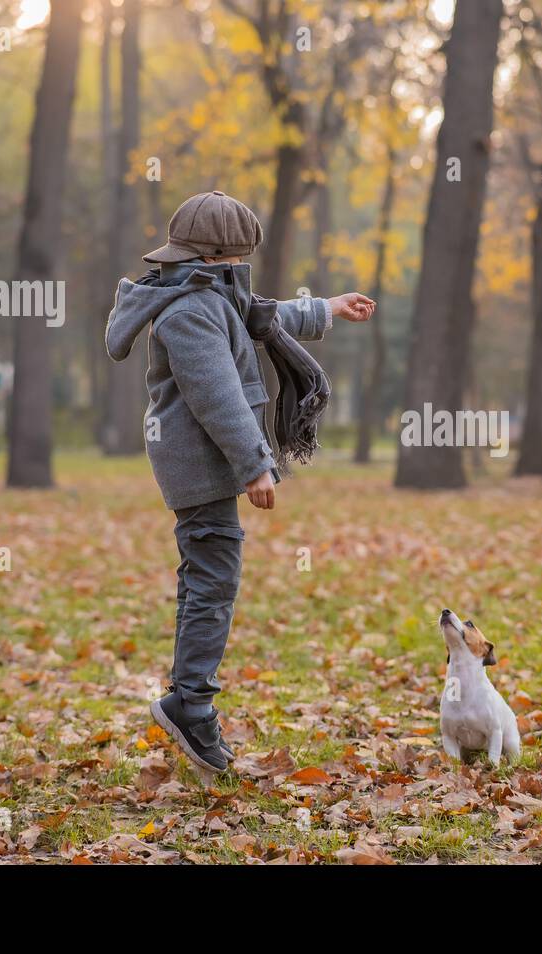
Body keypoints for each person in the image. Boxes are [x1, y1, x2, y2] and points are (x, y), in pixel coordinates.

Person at [106, 190, 373, 772]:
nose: (243, 273)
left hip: (201, 462)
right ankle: (191, 705)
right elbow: (217, 393)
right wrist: (255, 463)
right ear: (219, 257)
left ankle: (189, 696)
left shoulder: (203, 292)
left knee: (205, 575)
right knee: (213, 576)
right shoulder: (189, 313)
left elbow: (260, 310)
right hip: (198, 464)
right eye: (239, 262)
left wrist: (326, 308)